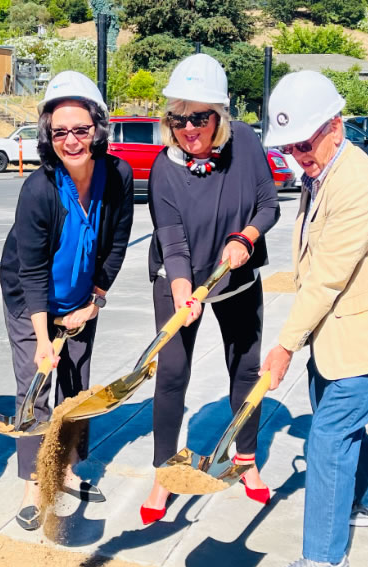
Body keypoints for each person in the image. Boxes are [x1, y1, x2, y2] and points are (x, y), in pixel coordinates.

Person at [260, 71, 368, 567]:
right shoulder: (324, 171)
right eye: (291, 147)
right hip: (339, 334)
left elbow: (326, 276)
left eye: (305, 143)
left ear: (336, 124)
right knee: (337, 426)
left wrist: (283, 344)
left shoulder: (357, 185)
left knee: (327, 439)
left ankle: (324, 565)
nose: (299, 155)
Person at [140, 54, 281, 525]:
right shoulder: (164, 169)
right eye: (178, 118)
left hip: (236, 278)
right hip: (179, 283)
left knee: (245, 368)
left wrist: (247, 238)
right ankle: (164, 468)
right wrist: (183, 288)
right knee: (172, 374)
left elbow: (268, 203)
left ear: (220, 115)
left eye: (199, 117)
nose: (188, 129)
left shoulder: (246, 143)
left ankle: (246, 458)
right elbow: (172, 241)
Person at [0, 71, 134, 531]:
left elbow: (116, 244)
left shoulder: (117, 175)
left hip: (81, 296)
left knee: (77, 387)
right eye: (60, 131)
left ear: (98, 128)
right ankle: (35, 482)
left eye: (81, 129)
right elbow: (31, 270)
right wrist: (42, 337)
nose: (71, 140)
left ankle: (71, 466)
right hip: (29, 298)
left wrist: (95, 299)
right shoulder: (38, 190)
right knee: (36, 386)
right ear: (48, 135)